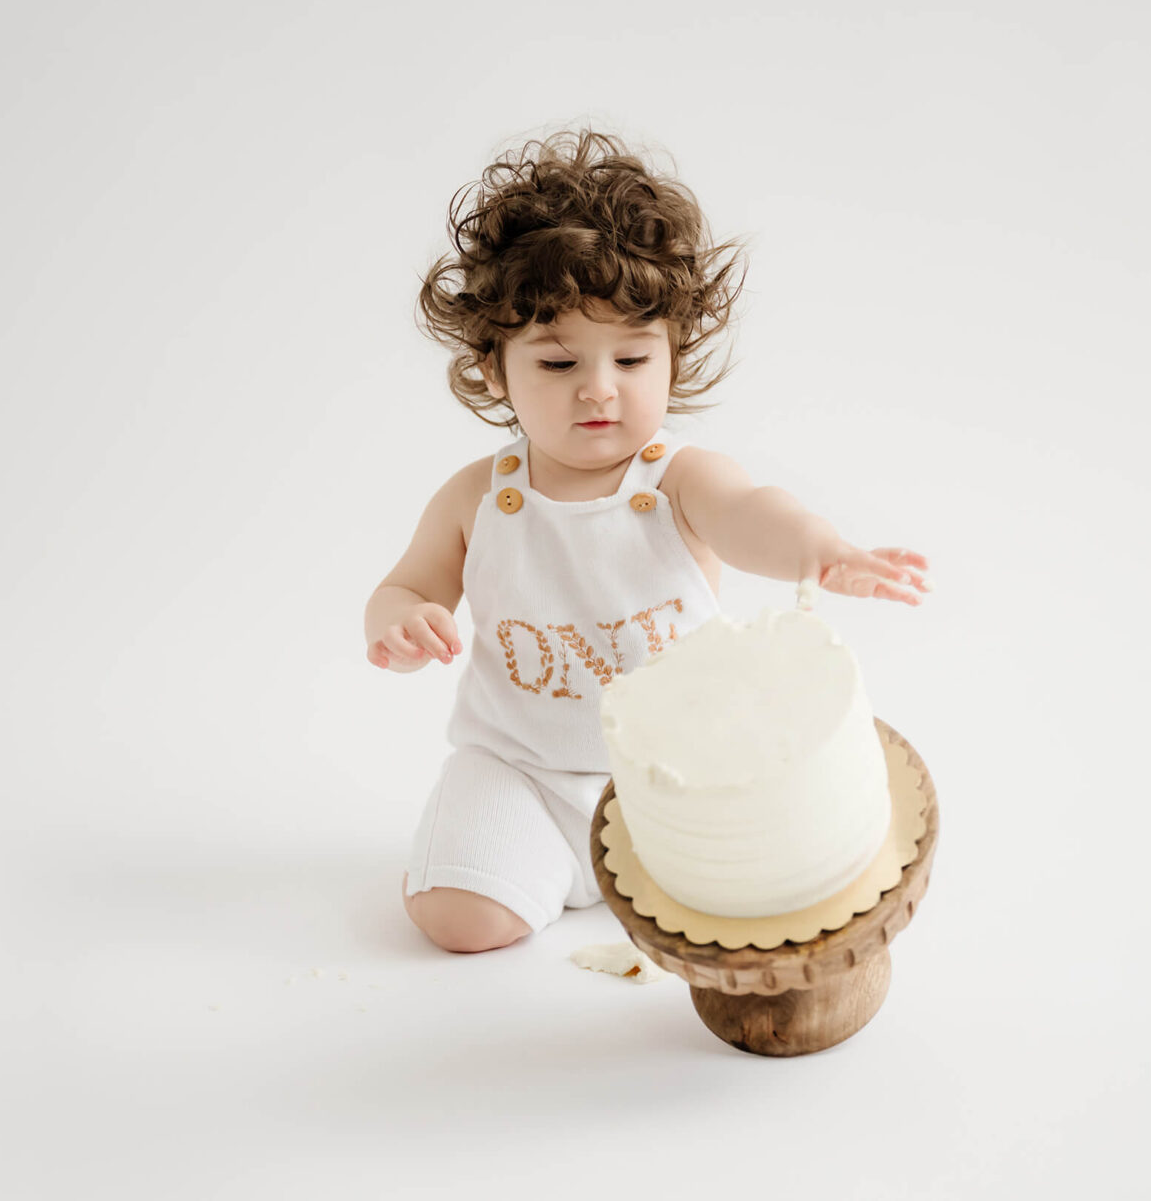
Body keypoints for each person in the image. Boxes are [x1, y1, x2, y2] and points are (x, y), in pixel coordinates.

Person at [366, 129, 930, 954]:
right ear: (494, 368)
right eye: (558, 365)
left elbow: (750, 513)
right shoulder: (476, 497)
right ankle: (512, 855)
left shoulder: (676, 480)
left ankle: (616, 869)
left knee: (762, 894)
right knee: (463, 920)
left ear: (672, 354)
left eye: (631, 358)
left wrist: (818, 546)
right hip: (521, 769)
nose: (599, 389)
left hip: (680, 776)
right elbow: (407, 586)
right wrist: (400, 622)